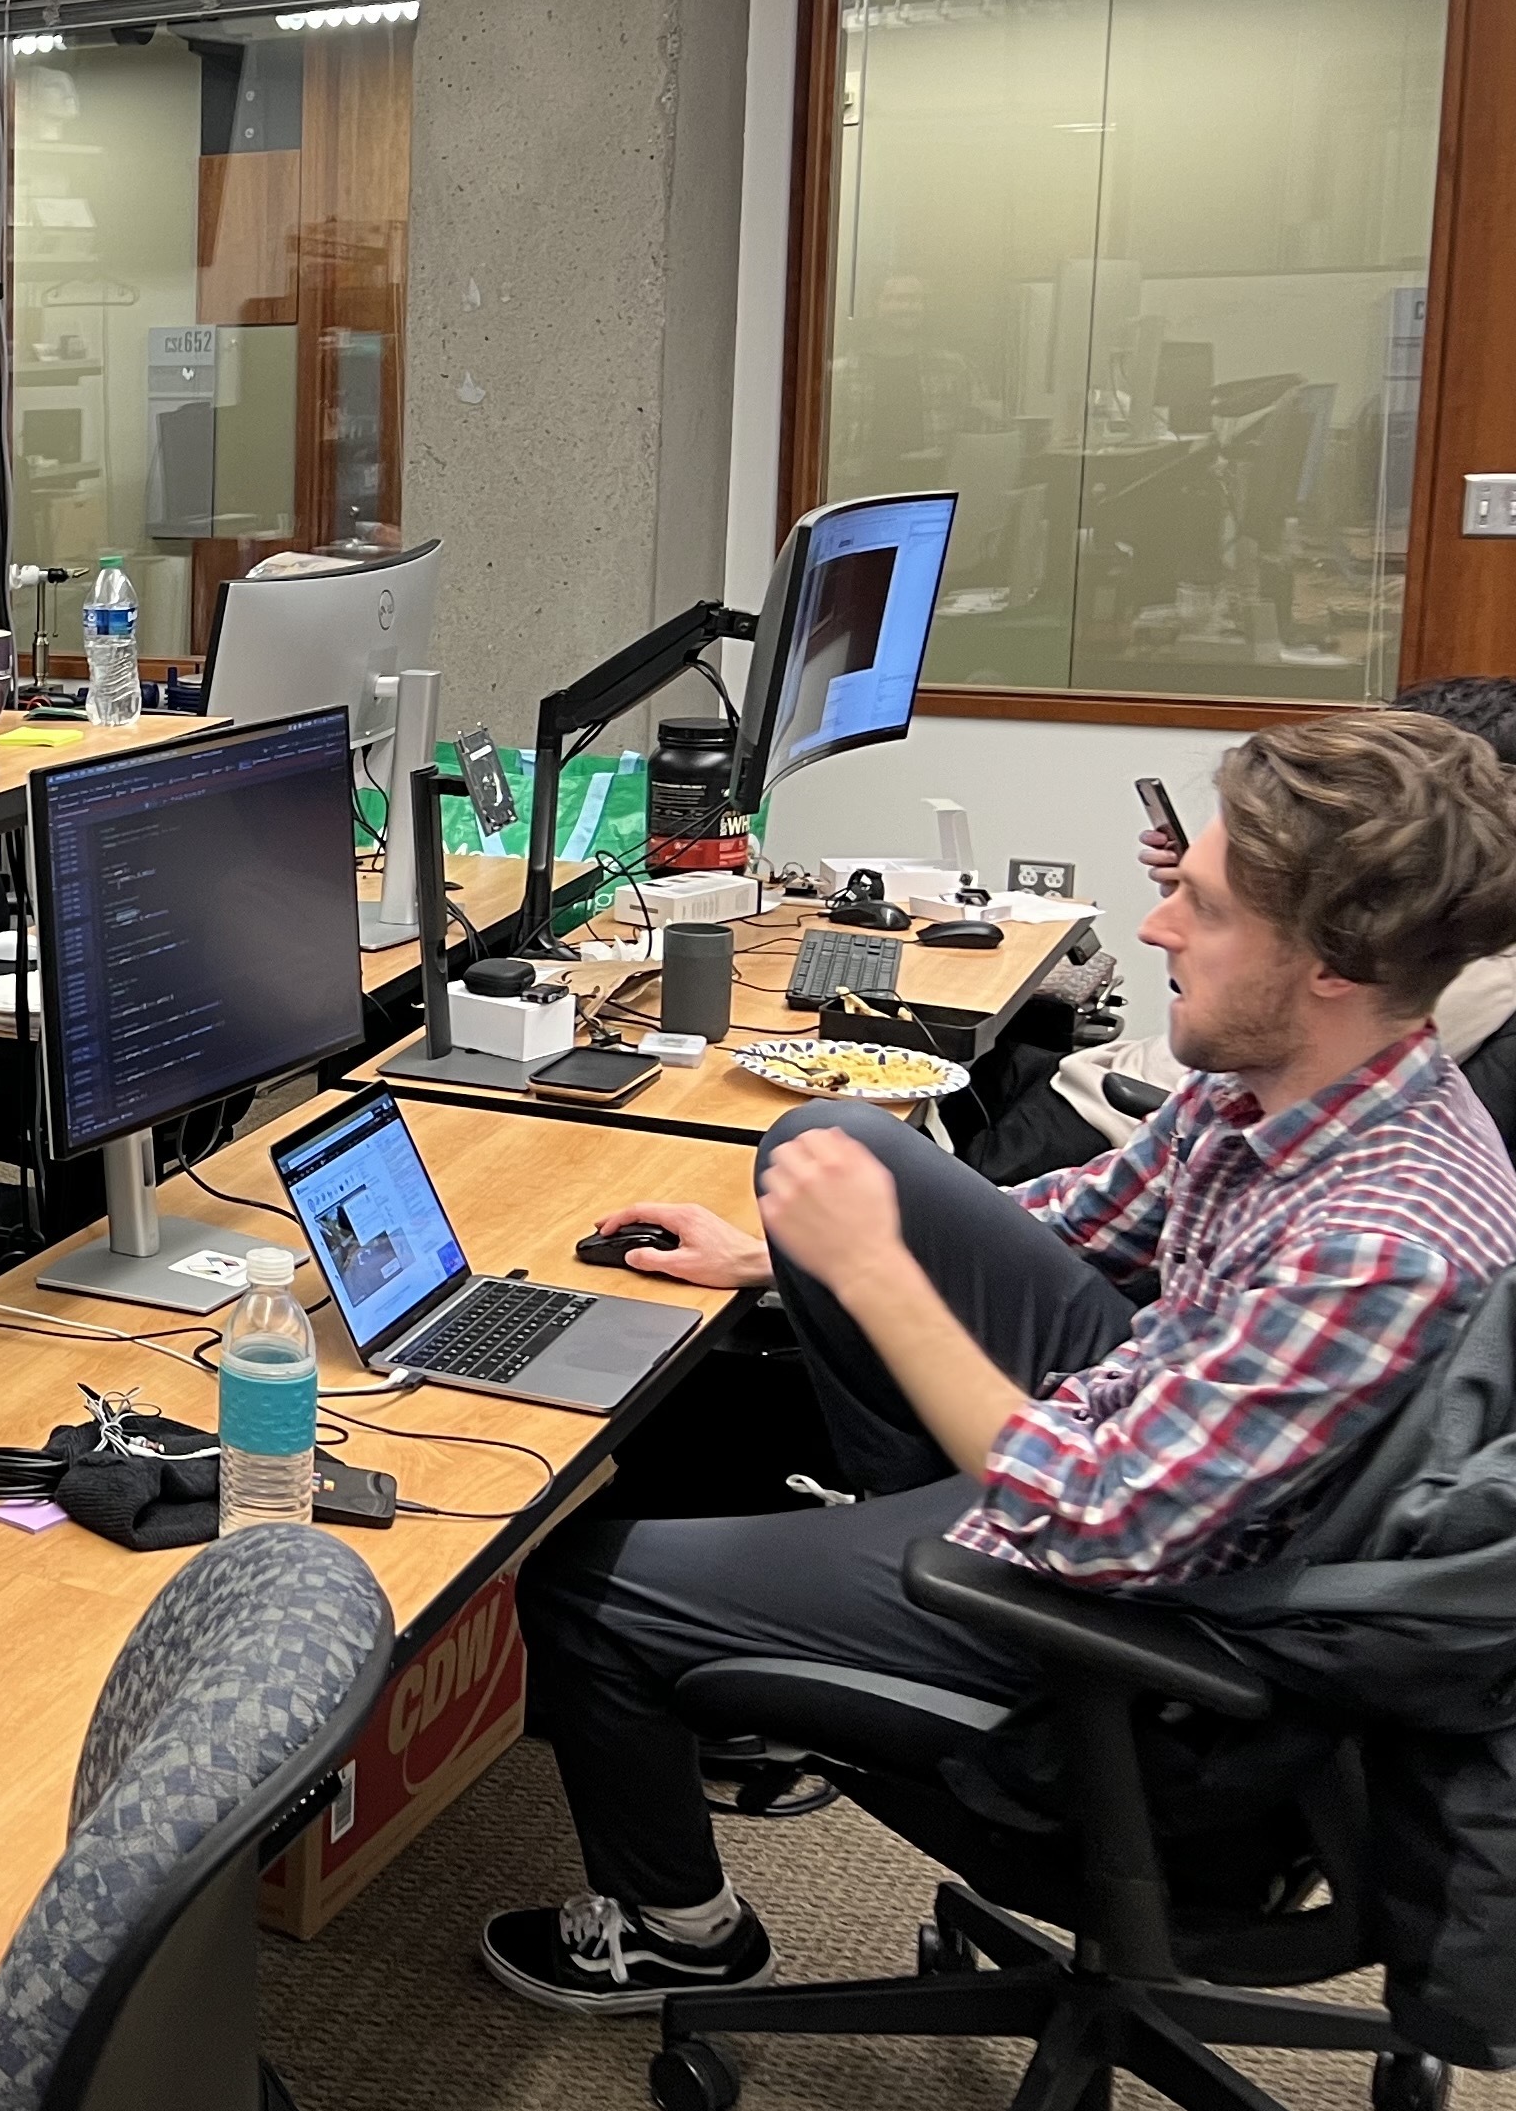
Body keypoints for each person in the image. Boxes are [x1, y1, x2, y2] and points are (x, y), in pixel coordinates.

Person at [479, 710, 1516, 2014]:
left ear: (1335, 964)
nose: (1156, 930)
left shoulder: (1381, 1243)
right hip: (1146, 1427)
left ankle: (680, 1929)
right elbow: (1087, 1221)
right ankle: (865, 1563)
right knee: (842, 1148)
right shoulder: (1303, 1078)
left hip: (1148, 1606)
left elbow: (1084, 1518)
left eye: (1200, 907)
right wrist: (774, 1251)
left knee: (587, 1584)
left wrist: (870, 1272)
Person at [970, 676, 1516, 1182]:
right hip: (1129, 1087)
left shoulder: (1371, 1241)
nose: (1151, 932)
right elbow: (1070, 1224)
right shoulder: (1242, 1091)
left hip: (1119, 1105)